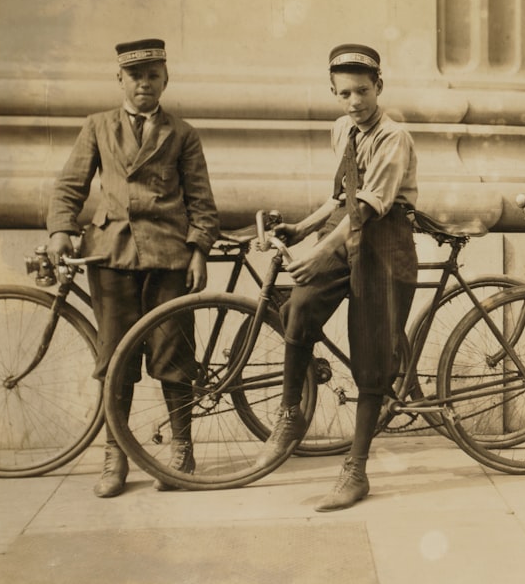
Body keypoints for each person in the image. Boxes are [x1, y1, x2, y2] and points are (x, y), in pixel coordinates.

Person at [46, 38, 219, 497]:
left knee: (174, 356)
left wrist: (199, 250)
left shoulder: (183, 133)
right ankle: (115, 453)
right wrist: (60, 230)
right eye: (136, 75)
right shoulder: (97, 126)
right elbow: (70, 185)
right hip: (111, 256)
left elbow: (202, 202)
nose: (145, 83)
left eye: (153, 75)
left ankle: (181, 450)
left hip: (169, 257)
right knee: (114, 359)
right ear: (120, 79)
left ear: (166, 79)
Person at [255, 43, 418, 512]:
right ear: (333, 92)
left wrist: (318, 248)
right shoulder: (342, 129)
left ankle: (356, 468)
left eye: (363, 91)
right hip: (346, 235)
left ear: (379, 87)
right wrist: (303, 227)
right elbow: (340, 198)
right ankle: (289, 415)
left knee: (370, 358)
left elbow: (368, 205)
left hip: (385, 244)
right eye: (344, 93)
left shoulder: (393, 136)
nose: (354, 102)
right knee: (299, 306)